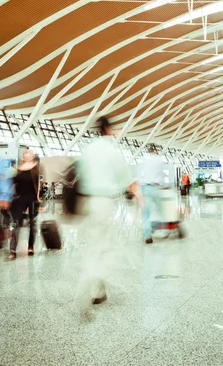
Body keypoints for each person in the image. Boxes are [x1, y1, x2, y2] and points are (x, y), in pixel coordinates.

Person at [75, 115, 141, 316]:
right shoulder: (111, 150)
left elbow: (80, 175)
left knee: (94, 244)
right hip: (104, 202)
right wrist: (139, 200)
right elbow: (126, 179)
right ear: (109, 130)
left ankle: (97, 290)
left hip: (87, 202)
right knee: (107, 246)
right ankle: (93, 279)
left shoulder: (89, 149)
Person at [8, 149, 41, 260]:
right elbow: (13, 181)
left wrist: (40, 200)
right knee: (16, 223)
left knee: (32, 224)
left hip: (32, 199)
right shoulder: (20, 169)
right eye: (24, 153)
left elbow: (39, 185)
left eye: (28, 153)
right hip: (20, 198)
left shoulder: (36, 168)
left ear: (32, 156)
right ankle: (12, 249)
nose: (25, 155)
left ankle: (30, 247)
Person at [139, 146, 168, 244]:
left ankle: (147, 235)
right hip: (156, 188)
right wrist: (164, 185)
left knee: (145, 213)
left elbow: (141, 175)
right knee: (161, 210)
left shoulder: (144, 160)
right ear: (155, 151)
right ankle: (164, 231)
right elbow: (161, 174)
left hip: (145, 188)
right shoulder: (158, 160)